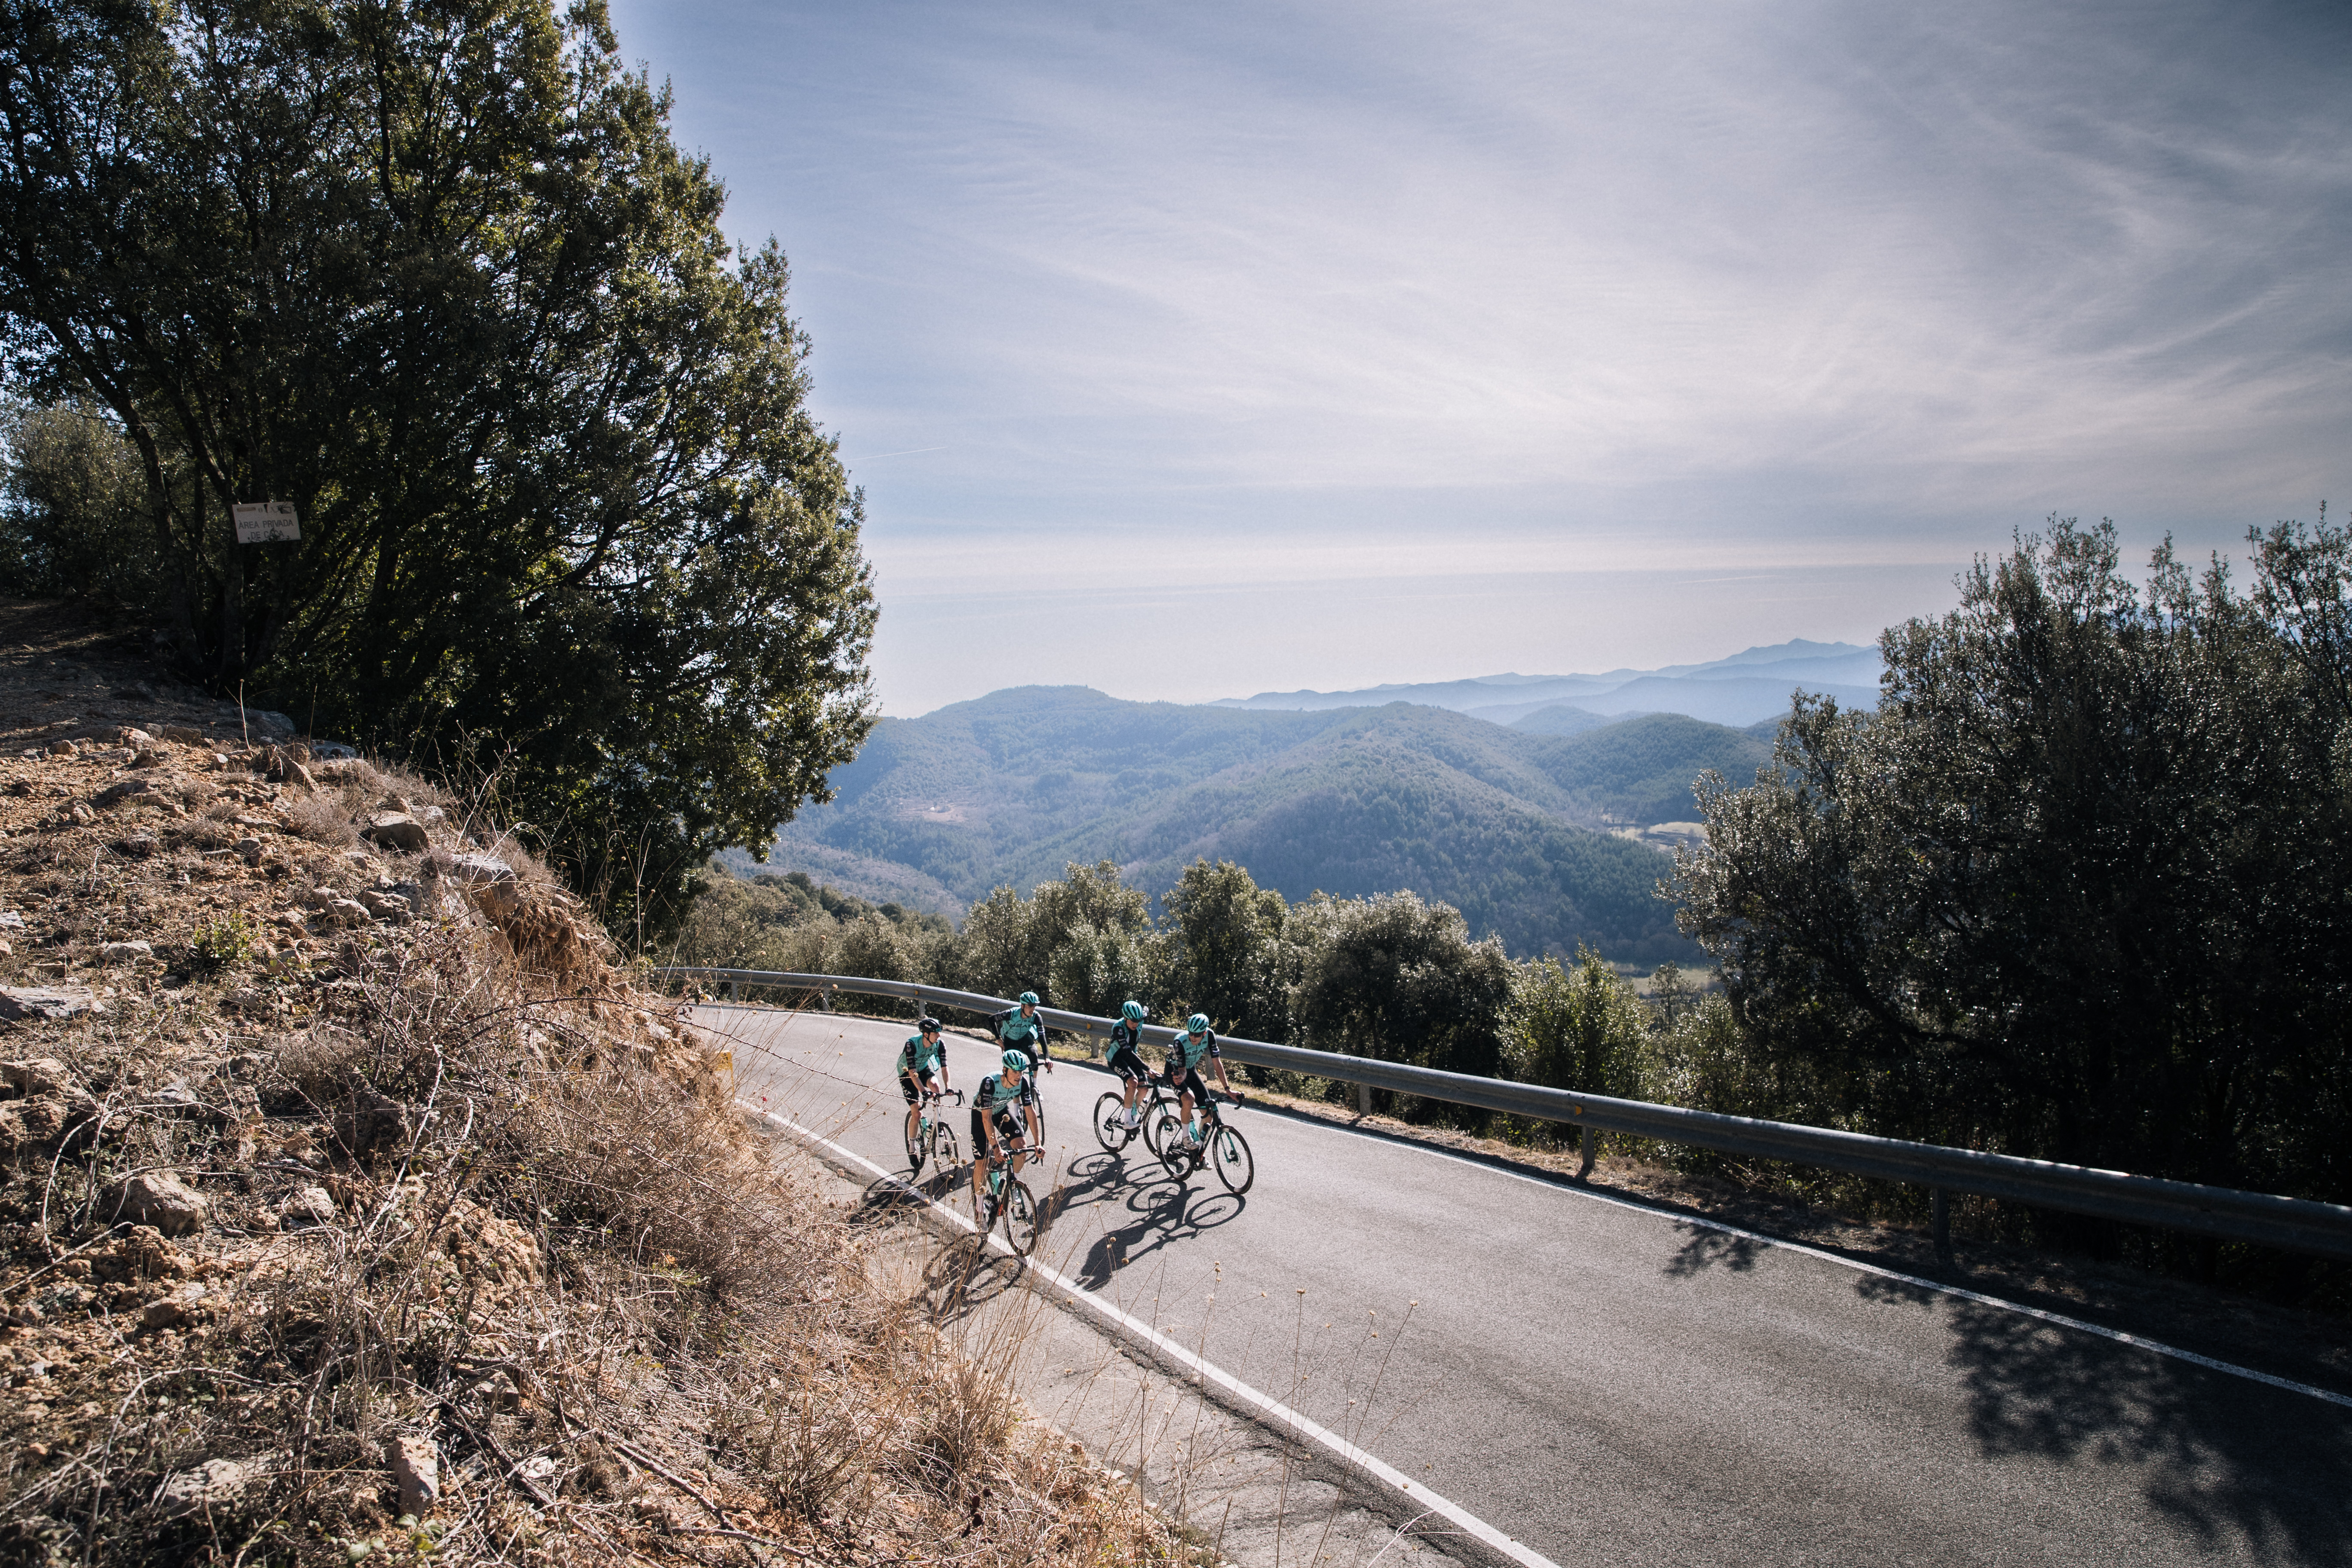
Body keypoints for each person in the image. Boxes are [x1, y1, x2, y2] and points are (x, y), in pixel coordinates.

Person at [970, 1048, 1043, 1217]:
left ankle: (1013, 1184)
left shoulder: (1022, 1083)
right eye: (1015, 1072)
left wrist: (1038, 1143)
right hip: (982, 1115)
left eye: (1021, 1072)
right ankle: (979, 1209)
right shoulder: (990, 1083)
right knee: (982, 1163)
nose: (1019, 1076)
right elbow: (987, 1119)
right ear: (1005, 1070)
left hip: (1002, 1111)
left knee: (1021, 1148)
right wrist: (996, 1148)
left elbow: (1030, 1112)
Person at [1163, 1012, 1241, 1148]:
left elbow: (1217, 1063)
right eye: (1191, 1033)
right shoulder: (1180, 1041)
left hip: (1191, 1070)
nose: (1193, 1037)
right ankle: (1186, 1139)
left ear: (1204, 1033)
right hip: (1175, 1071)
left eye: (1197, 1035)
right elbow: (1182, 1070)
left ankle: (1198, 1146)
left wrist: (1228, 1090)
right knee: (1189, 1099)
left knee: (1208, 1113)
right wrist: (1180, 1077)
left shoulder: (1210, 1035)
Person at [897, 1016, 952, 1166]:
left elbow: (944, 1067)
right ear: (926, 1034)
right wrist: (923, 1091)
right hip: (907, 1073)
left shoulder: (939, 1044)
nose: (939, 1035)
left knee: (936, 1087)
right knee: (916, 1114)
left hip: (922, 1069)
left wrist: (948, 1087)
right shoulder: (912, 1044)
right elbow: (912, 1072)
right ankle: (912, 1147)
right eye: (936, 1033)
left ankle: (936, 1121)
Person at [1104, 1000, 1152, 1127]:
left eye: (1138, 1021)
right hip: (1116, 1058)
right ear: (1125, 1017)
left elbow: (1146, 1010)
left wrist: (1146, 1008)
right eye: (1133, 1021)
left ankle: (1132, 1116)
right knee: (1133, 1082)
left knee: (1144, 1087)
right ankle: (1127, 1121)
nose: (1136, 1024)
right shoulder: (1118, 1028)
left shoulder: (1140, 1018)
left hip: (1131, 1058)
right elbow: (1128, 1052)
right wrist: (1148, 1069)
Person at [992, 990, 1054, 1075]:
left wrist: (1047, 1058)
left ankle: (1034, 1082)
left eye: (1034, 1006)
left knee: (1034, 1054)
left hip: (1024, 1038)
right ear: (1022, 1006)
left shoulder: (1036, 1017)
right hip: (1010, 1040)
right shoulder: (1010, 1014)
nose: (1033, 1009)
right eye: (1030, 1006)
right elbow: (991, 1019)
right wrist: (999, 1039)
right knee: (1013, 1065)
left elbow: (1042, 1036)